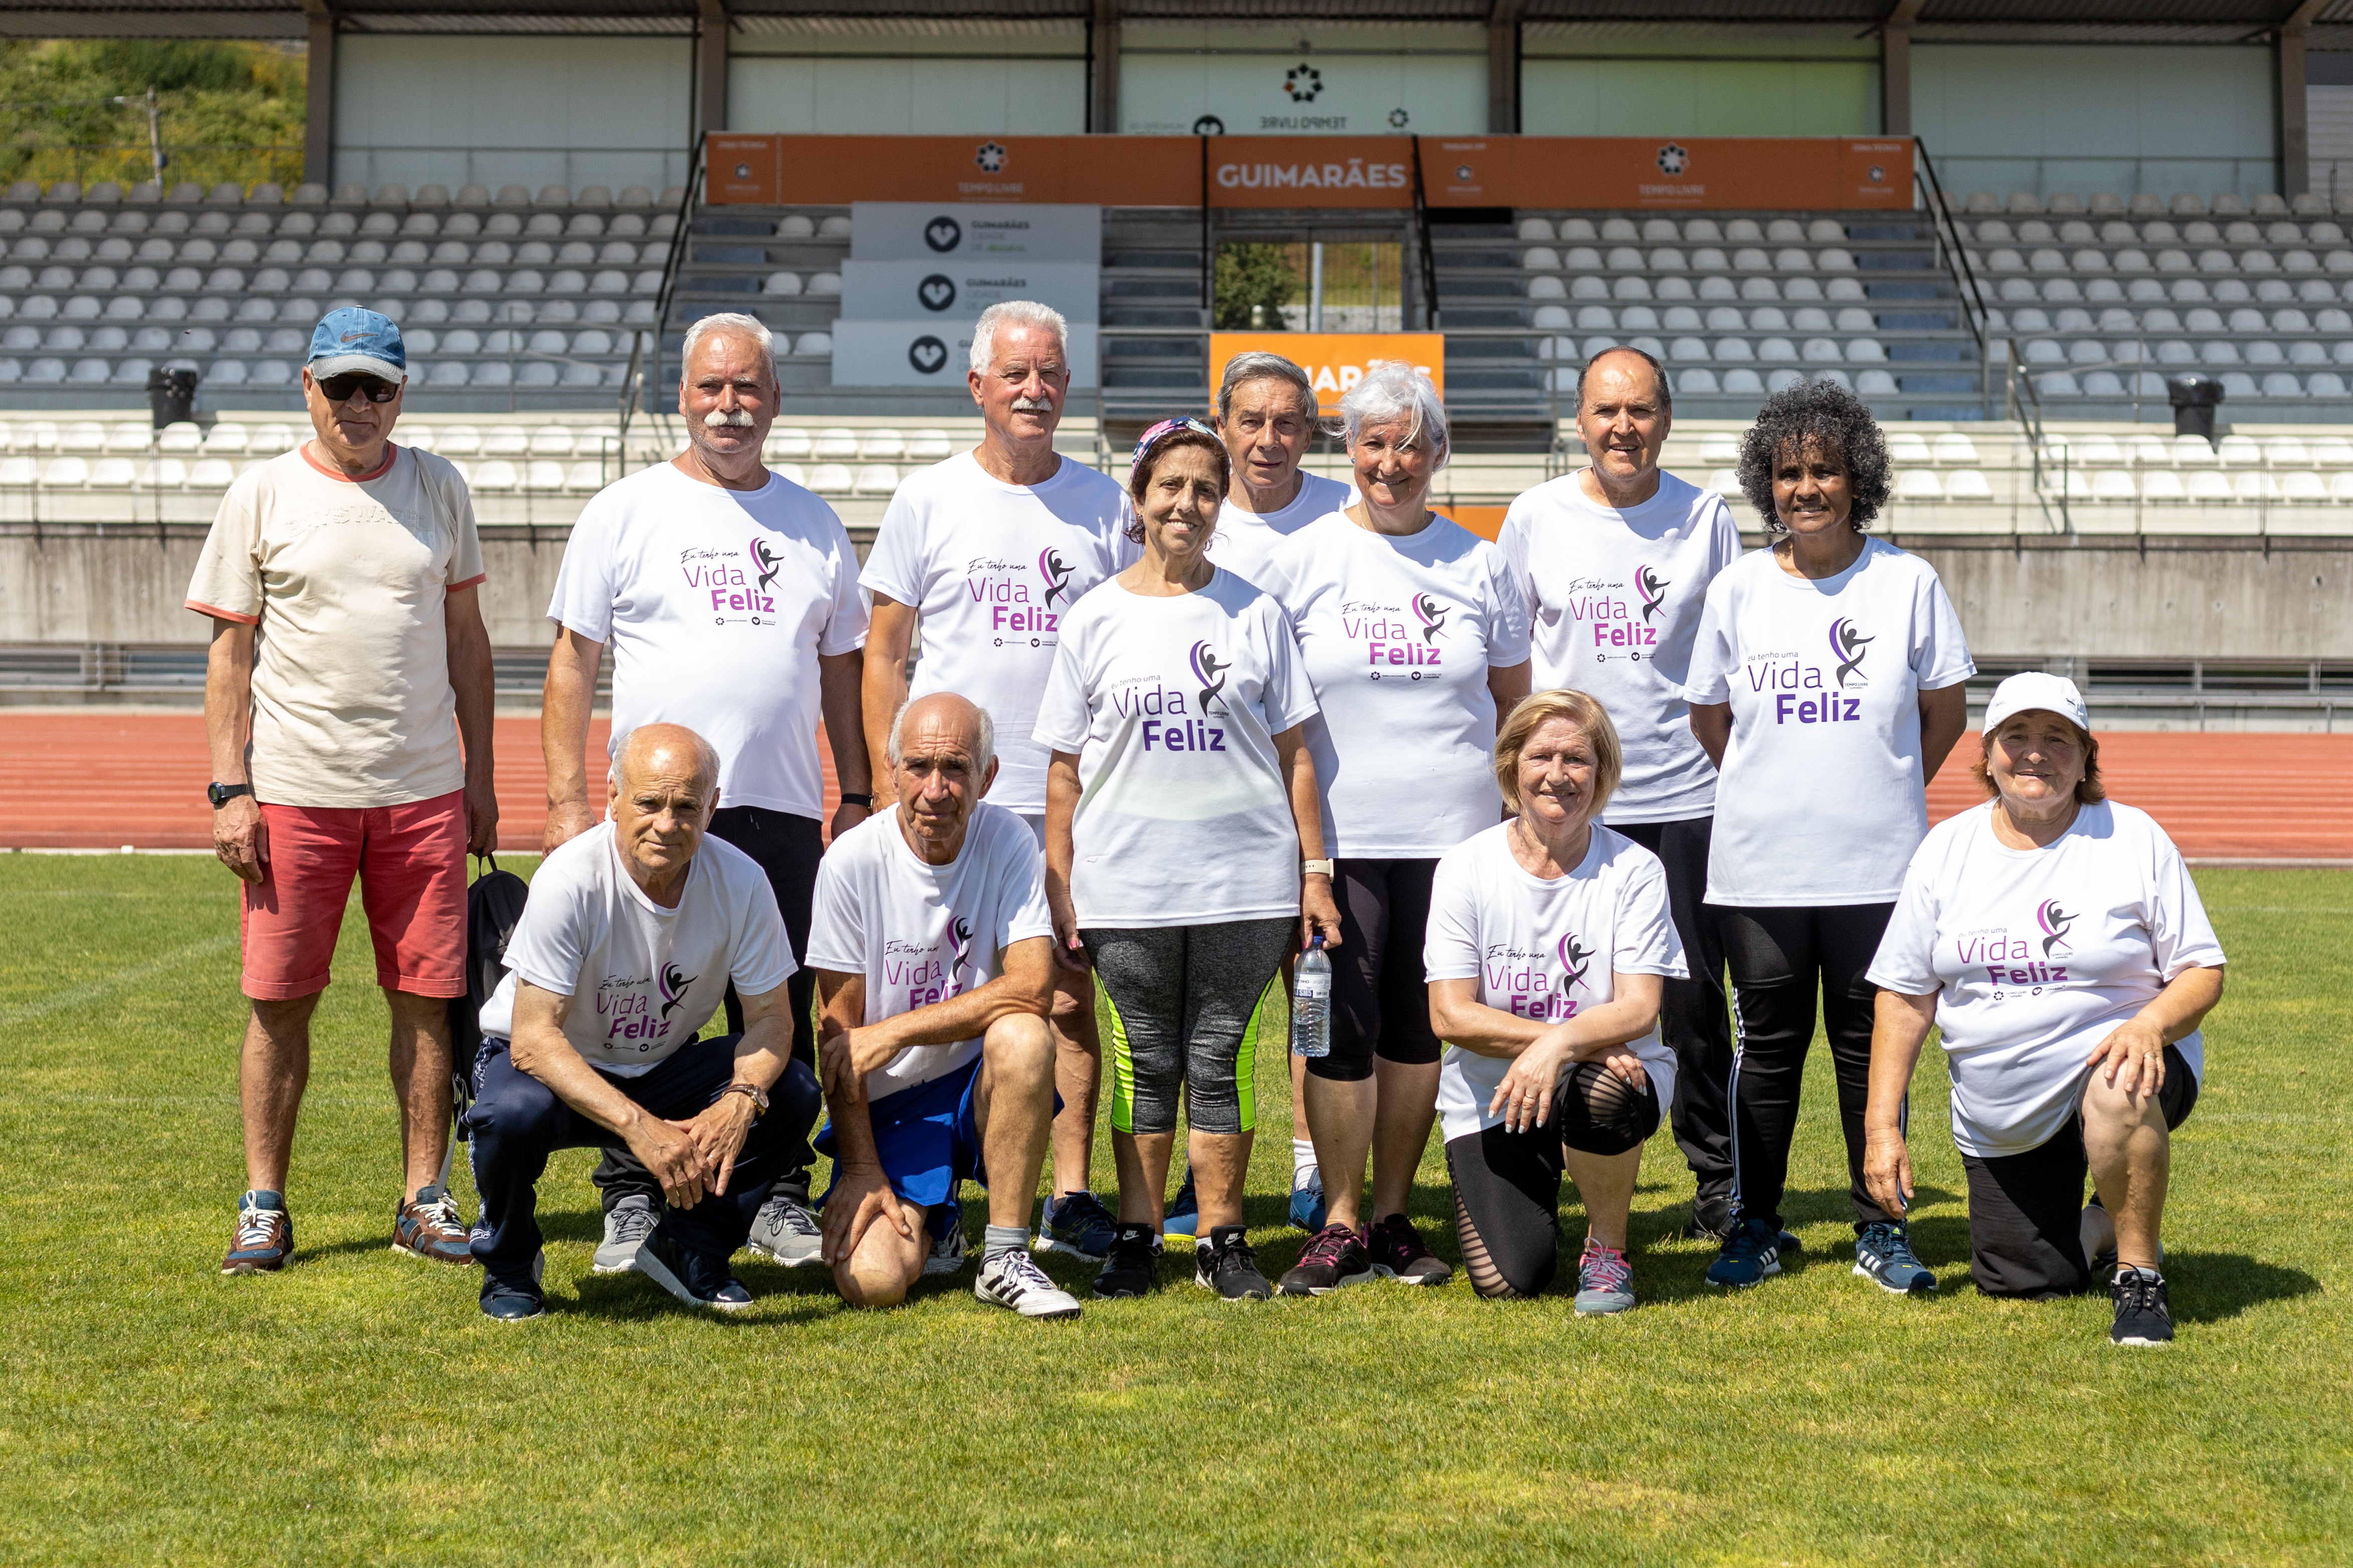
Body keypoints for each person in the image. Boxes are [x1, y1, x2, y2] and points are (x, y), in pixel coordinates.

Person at [541, 311, 870, 1276]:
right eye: (711, 388)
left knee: (780, 1011)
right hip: (654, 819)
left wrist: (857, 792)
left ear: (776, 399)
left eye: (748, 389)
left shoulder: (813, 521)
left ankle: (772, 1195)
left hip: (778, 811)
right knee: (635, 1011)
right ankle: (634, 1195)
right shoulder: (623, 510)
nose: (729, 406)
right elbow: (573, 663)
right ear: (680, 397)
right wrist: (568, 802)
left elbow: (843, 671)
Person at [191, 305, 498, 1276]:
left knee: (425, 997)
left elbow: (467, 642)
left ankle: (422, 1196)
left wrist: (481, 778)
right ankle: (264, 1203)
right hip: (295, 792)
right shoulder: (262, 492)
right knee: (280, 1002)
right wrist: (229, 790)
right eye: (341, 386)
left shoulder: (440, 486)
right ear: (307, 385)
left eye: (377, 387)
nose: (358, 405)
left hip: (421, 793)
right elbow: (230, 652)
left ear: (401, 393)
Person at [1036, 416, 1342, 1302]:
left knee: (1221, 1058)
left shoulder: (1255, 611)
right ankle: (1136, 1234)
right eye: (1169, 486)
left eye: (1205, 489)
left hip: (1243, 885)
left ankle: (1222, 1237)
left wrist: (1313, 871)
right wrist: (1060, 887)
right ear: (1137, 500)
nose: (1187, 503)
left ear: (1221, 505)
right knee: (1144, 1059)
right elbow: (1062, 773)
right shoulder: (1093, 618)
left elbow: (1295, 753)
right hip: (1124, 884)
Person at [1680, 379, 1974, 1292]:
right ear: (1767, 484)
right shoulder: (1736, 590)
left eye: (1826, 471)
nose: (1807, 488)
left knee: (1867, 1047)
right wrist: (1779, 790)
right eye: (1789, 472)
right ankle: (1756, 1224)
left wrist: (1878, 791)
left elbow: (1945, 713)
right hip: (1759, 873)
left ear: (1859, 479)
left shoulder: (1906, 582)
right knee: (1766, 1052)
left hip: (1879, 871)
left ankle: (1880, 1226)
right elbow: (1710, 719)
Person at [859, 300, 1131, 1267]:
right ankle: (934, 1184)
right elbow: (885, 653)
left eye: (1051, 372)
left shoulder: (1107, 506)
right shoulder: (927, 499)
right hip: (948, 793)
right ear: (978, 385)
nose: (1035, 389)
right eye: (1016, 373)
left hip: (1070, 799)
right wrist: (883, 786)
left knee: (1063, 995)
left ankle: (1067, 1193)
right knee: (941, 982)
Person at [1261, 362, 1531, 1296]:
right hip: (1339, 844)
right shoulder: (1300, 563)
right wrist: (1305, 857)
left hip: (1454, 846)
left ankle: (1391, 1213)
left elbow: (1512, 706)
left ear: (1439, 454)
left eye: (1410, 444)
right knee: (1337, 1027)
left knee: (1418, 1035)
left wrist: (1513, 832)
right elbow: (1276, 719)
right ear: (1349, 448)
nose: (1391, 462)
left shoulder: (1481, 562)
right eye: (1373, 443)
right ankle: (1336, 1219)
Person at [1863, 673, 2225, 1345]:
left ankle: (2137, 1276)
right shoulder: (1945, 849)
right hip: (2003, 1104)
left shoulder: (2131, 837)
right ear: (1988, 752)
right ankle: (2097, 1225)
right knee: (2027, 1276)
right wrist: (1881, 1127)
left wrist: (2147, 1024)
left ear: (2085, 756)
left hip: (2122, 1063)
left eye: (2055, 738)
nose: (2034, 754)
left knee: (2116, 1085)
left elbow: (2201, 971)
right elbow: (1905, 993)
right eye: (2016, 737)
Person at [1499, 346, 1743, 1241]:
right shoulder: (1534, 516)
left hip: (1681, 798)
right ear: (1580, 420)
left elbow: (1728, 656)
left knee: (1689, 1005)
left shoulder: (1706, 516)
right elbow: (1513, 659)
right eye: (1606, 411)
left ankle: (1716, 1179)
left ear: (1666, 421)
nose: (1623, 428)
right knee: (1542, 990)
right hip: (1566, 803)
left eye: (1639, 411)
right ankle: (1530, 1171)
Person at [463, 725, 823, 1321]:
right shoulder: (571, 877)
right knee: (508, 1114)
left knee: (790, 1090)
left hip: (660, 1064)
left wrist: (740, 1097)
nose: (666, 823)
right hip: (550, 1068)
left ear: (712, 807)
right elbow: (532, 1038)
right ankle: (511, 1263)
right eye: (648, 802)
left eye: (686, 806)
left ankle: (690, 1247)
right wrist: (639, 1127)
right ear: (611, 796)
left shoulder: (741, 881)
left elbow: (771, 1023)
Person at [808, 692, 1082, 1321]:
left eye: (955, 769)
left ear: (986, 776)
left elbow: (1032, 987)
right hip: (890, 1106)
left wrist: (897, 1031)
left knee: (1025, 1035)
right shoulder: (851, 862)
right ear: (891, 769)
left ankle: (1005, 1257)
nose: (936, 789)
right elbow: (841, 1041)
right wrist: (861, 1170)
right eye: (919, 767)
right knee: (874, 1282)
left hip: (974, 1083)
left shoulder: (1010, 840)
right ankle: (940, 1220)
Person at [1424, 690, 1687, 1312]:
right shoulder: (1464, 867)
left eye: (1577, 759)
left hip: (1606, 1074)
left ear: (1601, 772)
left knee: (1605, 1086)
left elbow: (1639, 1009)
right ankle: (1539, 1170)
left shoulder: (1635, 870)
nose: (1558, 775)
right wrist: (1554, 1045)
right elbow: (1449, 1016)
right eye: (1540, 756)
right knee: (1509, 1280)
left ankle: (1606, 1250)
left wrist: (1564, 1046)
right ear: (1512, 764)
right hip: (1496, 1094)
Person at [1195, 349, 1358, 1239]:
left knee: (1311, 988)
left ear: (1310, 430)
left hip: (1312, 793)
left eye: (1287, 422)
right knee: (1205, 997)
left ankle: (1307, 1164)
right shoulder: (1187, 507)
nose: (1268, 440)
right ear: (1222, 426)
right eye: (1250, 422)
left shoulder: (1346, 511)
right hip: (1207, 796)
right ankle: (1195, 1171)